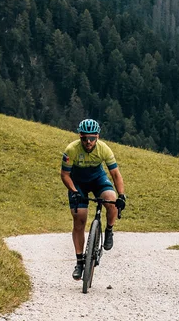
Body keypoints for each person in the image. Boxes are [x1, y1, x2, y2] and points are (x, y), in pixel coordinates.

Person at [60, 118, 126, 281]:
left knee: (111, 200)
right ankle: (80, 262)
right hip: (78, 183)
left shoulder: (104, 149)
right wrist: (74, 191)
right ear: (80, 137)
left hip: (98, 179)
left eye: (92, 138)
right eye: (84, 138)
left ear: (97, 137)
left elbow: (115, 174)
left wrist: (122, 195)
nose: (88, 142)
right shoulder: (72, 150)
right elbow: (65, 175)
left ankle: (109, 230)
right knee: (79, 219)